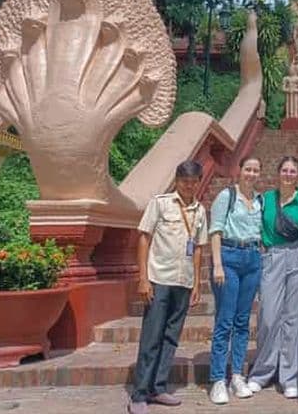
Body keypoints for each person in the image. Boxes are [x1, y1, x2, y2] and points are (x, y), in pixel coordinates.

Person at [128, 161, 208, 414]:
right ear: (177, 180)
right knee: (152, 337)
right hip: (159, 279)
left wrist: (196, 282)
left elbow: (197, 248)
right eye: (185, 180)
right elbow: (144, 237)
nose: (189, 185)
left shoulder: (200, 210)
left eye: (194, 181)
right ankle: (139, 393)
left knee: (171, 337)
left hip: (183, 282)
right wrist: (143, 277)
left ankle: (158, 387)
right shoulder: (161, 203)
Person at [247, 156, 298, 398]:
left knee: (292, 318)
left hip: (297, 256)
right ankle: (261, 373)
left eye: (292, 171)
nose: (288, 174)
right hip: (272, 257)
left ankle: (290, 376)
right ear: (278, 173)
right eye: (284, 170)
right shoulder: (266, 199)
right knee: (268, 316)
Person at [208, 156, 264, 404]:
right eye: (248, 169)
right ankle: (218, 379)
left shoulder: (260, 200)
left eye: (255, 170)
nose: (251, 174)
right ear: (239, 171)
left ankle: (237, 375)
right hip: (229, 258)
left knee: (243, 321)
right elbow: (216, 231)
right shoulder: (226, 196)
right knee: (225, 320)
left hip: (252, 259)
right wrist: (218, 264)